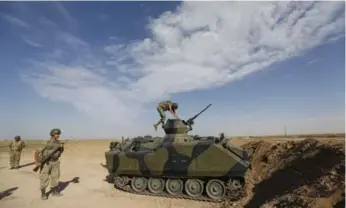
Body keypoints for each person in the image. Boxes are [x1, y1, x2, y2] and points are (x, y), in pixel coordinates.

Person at [34, 128, 65, 200]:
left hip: (55, 162)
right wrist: (37, 162)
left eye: (59, 134)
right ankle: (43, 194)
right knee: (44, 178)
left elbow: (60, 152)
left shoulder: (58, 143)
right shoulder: (46, 142)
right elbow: (37, 152)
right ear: (52, 134)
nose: (58, 135)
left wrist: (62, 147)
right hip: (46, 163)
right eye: (57, 134)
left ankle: (54, 192)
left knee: (55, 177)